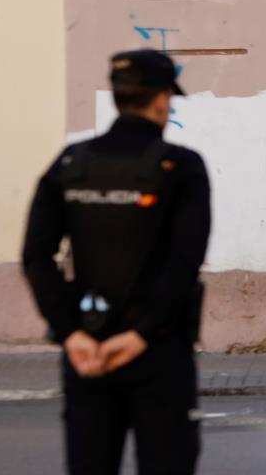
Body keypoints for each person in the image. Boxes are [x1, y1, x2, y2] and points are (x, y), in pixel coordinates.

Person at [22, 49, 210, 475]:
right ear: (162, 99)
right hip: (158, 353)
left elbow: (36, 257)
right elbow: (184, 263)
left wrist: (72, 334)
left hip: (89, 353)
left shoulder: (70, 165)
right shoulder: (180, 168)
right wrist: (142, 334)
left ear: (118, 95)